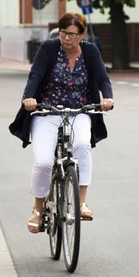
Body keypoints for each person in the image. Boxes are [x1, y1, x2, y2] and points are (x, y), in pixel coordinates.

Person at [9, 12, 114, 234]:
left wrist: (107, 98)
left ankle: (82, 202)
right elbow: (35, 76)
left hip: (79, 111)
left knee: (82, 146)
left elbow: (103, 78)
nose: (66, 38)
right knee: (44, 162)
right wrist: (29, 99)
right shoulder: (48, 49)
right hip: (47, 111)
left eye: (72, 34)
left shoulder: (90, 51)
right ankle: (38, 209)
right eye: (63, 33)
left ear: (82, 34)